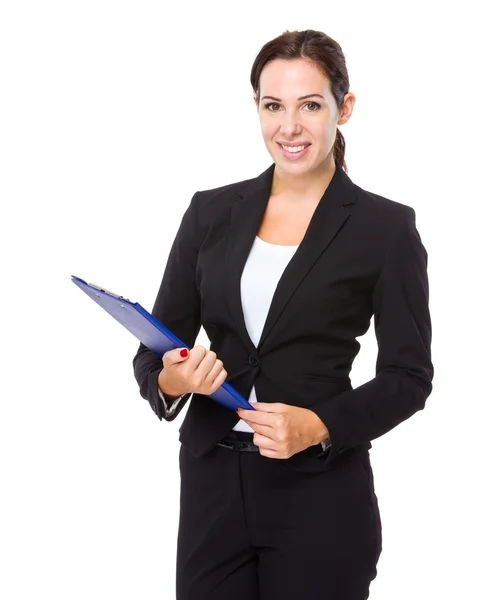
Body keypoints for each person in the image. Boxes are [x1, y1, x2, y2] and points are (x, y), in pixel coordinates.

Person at [132, 28, 434, 600]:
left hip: (319, 491)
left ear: (343, 108)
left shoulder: (385, 229)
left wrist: (318, 426)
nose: (289, 127)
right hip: (212, 487)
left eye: (310, 105)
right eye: (273, 106)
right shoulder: (210, 213)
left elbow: (409, 378)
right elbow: (155, 348)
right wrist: (173, 378)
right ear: (257, 108)